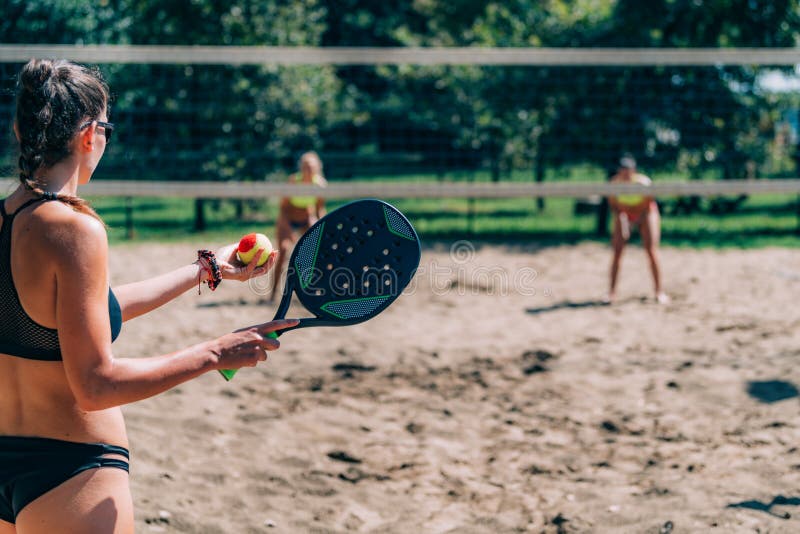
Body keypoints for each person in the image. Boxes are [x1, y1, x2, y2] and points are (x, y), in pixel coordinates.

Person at [0, 58, 298, 532]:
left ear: (20, 128)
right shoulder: (74, 229)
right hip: (69, 469)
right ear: (88, 135)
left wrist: (206, 270)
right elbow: (96, 385)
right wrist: (216, 352)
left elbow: (64, 315)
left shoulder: (8, 220)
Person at [606, 155, 669, 304]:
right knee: (617, 251)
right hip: (624, 214)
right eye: (622, 170)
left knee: (651, 250)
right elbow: (614, 206)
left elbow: (648, 203)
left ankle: (659, 292)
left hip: (645, 212)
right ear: (619, 171)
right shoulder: (614, 184)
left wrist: (637, 219)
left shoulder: (643, 183)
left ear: (633, 171)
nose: (625, 173)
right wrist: (623, 221)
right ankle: (612, 293)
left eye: (628, 170)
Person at [269, 151, 327, 301]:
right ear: (301, 167)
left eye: (311, 167)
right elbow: (283, 208)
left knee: (318, 251)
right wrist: (287, 229)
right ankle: (272, 295)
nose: (308, 170)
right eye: (305, 166)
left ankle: (312, 292)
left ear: (317, 168)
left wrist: (323, 227)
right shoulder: (293, 181)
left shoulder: (320, 185)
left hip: (306, 218)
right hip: (288, 218)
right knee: (283, 250)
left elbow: (319, 208)